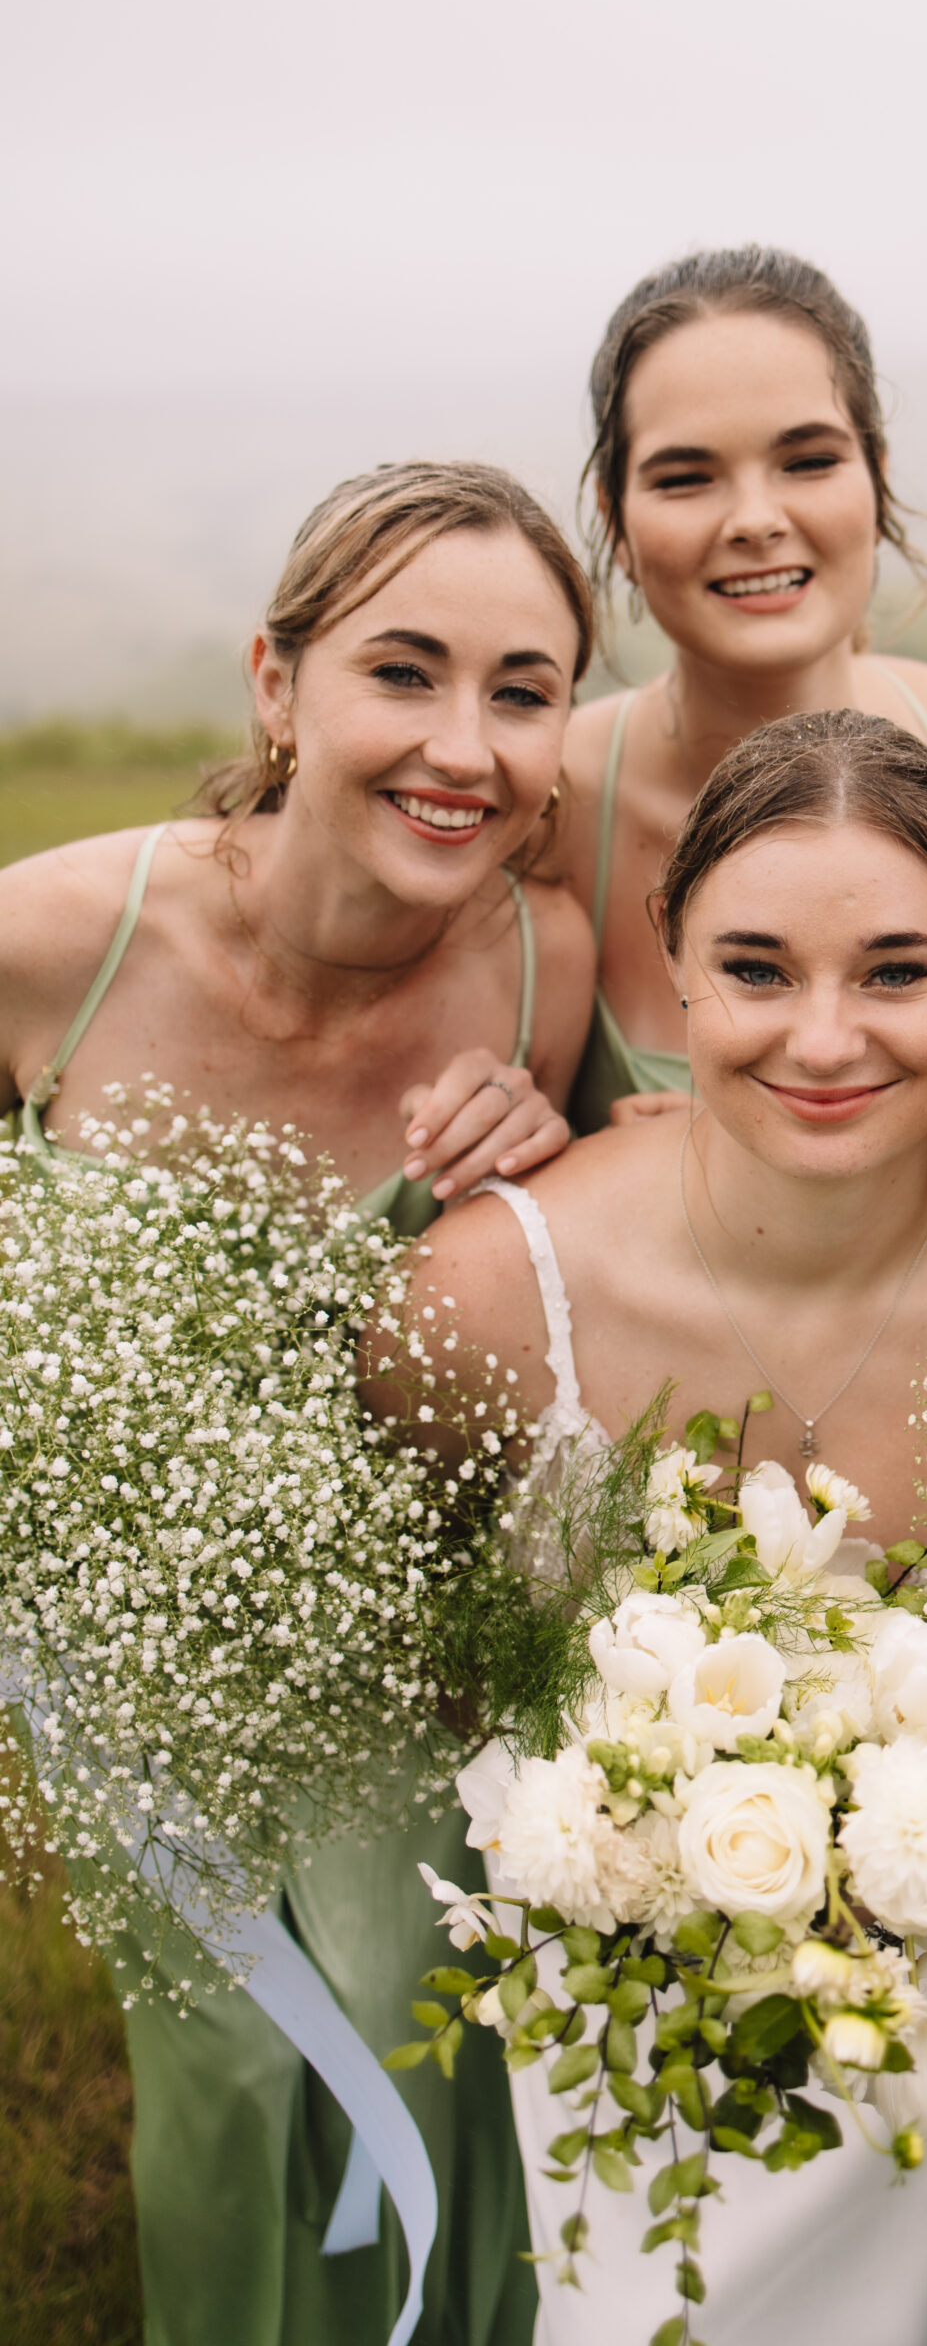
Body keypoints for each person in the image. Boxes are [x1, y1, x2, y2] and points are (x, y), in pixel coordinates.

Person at [381, 707, 927, 2346]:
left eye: (895, 973)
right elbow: (438, 1655)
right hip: (618, 2025)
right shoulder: (485, 1295)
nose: (827, 1040)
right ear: (668, 970)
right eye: (756, 970)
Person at [0, 460, 598, 2346]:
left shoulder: (542, 961)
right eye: (402, 673)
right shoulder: (50, 943)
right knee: (244, 2088)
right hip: (146, 1673)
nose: (463, 746)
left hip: (423, 1647)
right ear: (277, 684)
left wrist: (548, 1151)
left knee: (429, 2031)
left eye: (522, 691)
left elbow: (564, 1310)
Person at [549, 242, 927, 1135]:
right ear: (615, 524)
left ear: (875, 478)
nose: (757, 521)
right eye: (685, 478)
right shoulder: (544, 798)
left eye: (807, 462)